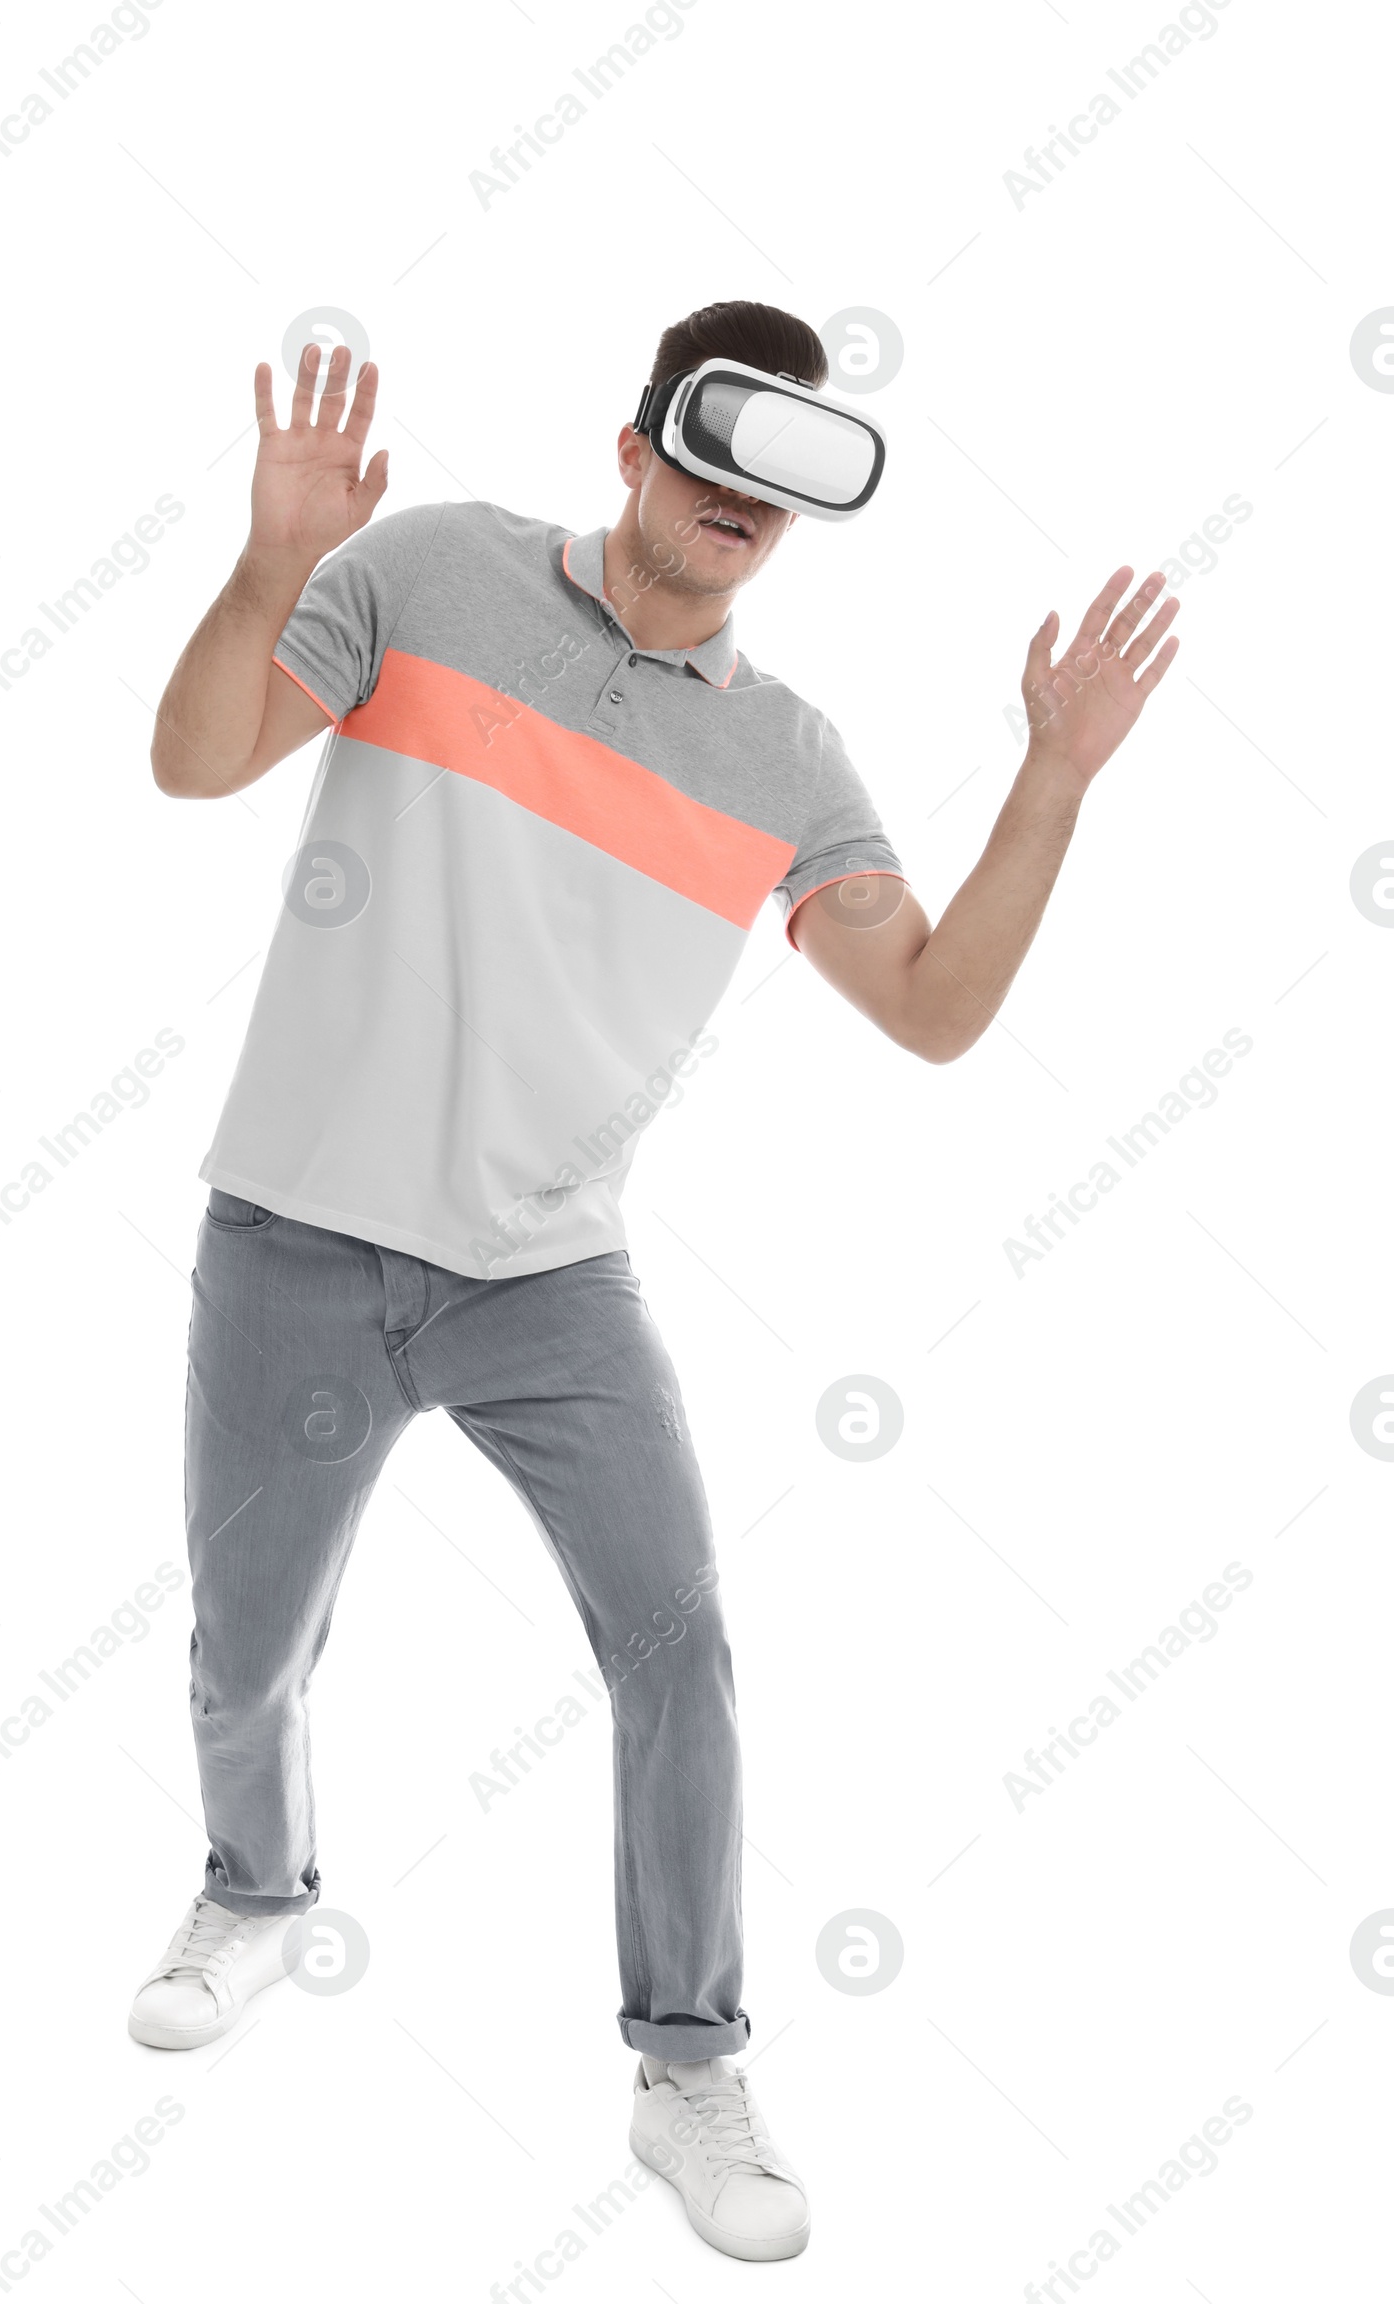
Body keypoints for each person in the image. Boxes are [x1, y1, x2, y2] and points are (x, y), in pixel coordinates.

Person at [128, 300, 1179, 2263]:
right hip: (289, 1226)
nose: (729, 508)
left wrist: (1055, 776)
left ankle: (686, 2066)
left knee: (677, 1652)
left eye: (772, 484)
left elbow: (934, 1013)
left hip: (546, 1276)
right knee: (244, 1651)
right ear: (628, 453)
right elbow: (196, 762)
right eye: (703, 459)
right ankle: (256, 1893)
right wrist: (274, 559)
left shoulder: (785, 759)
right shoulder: (424, 567)